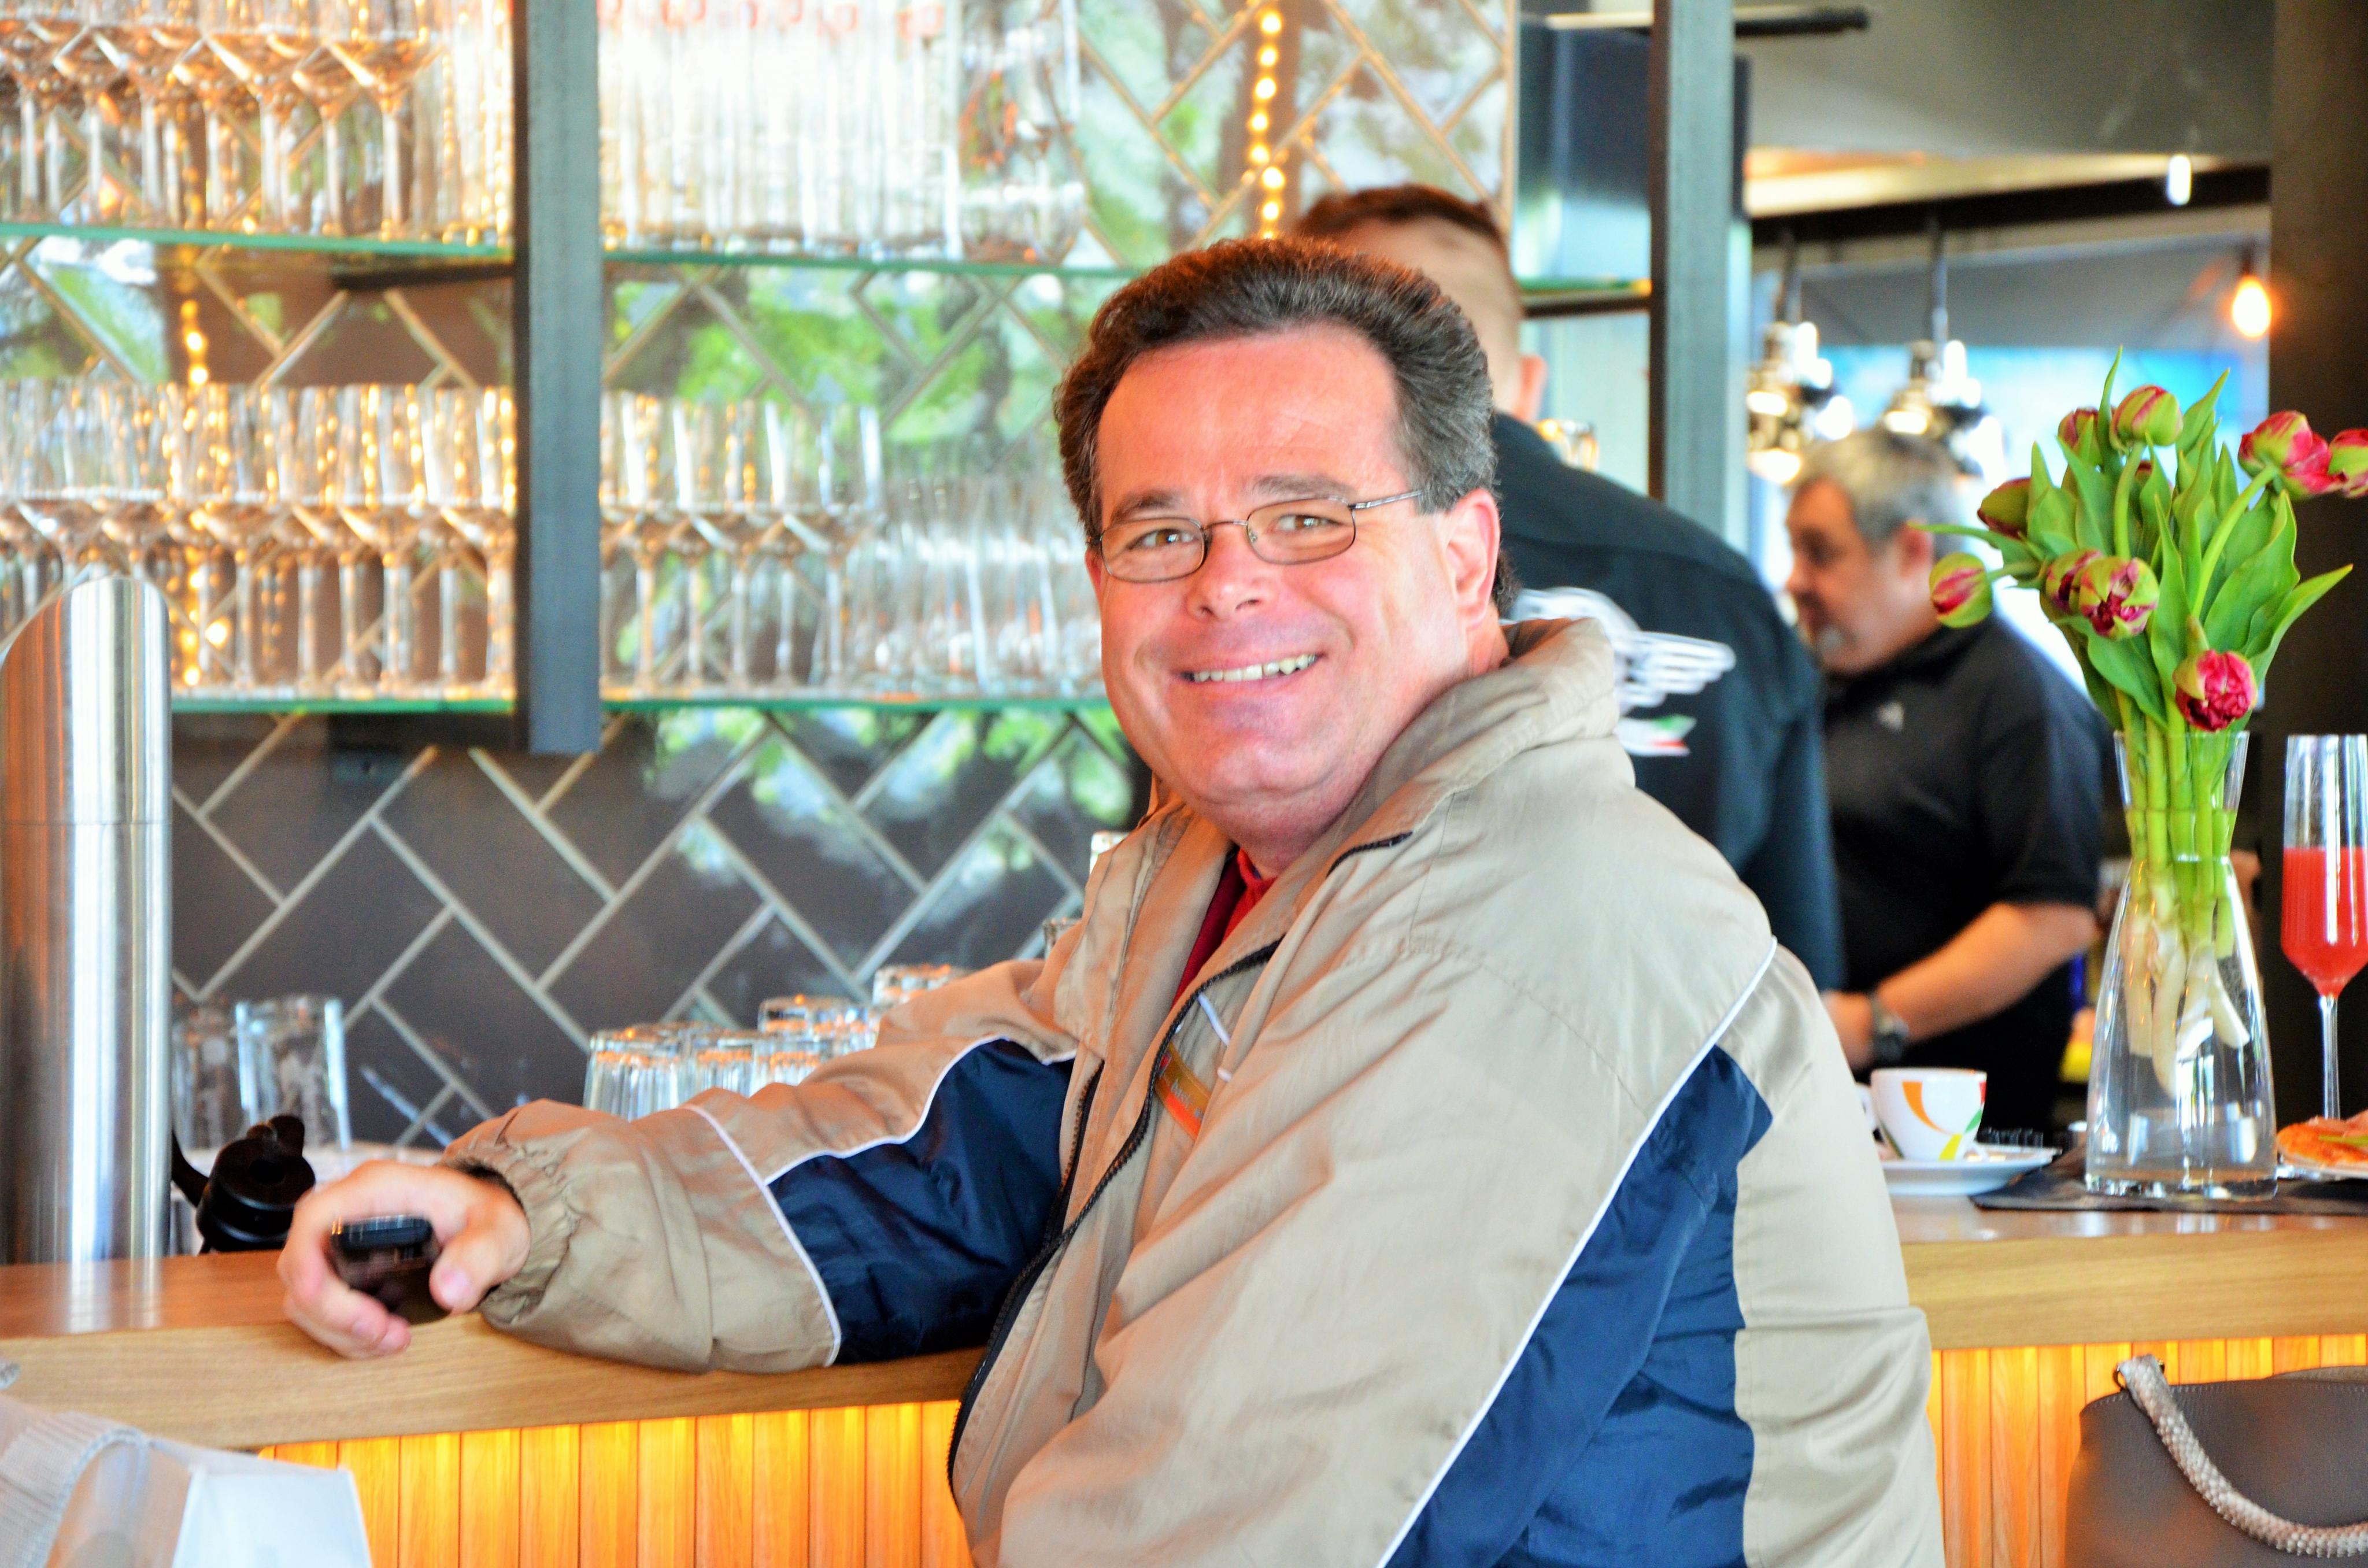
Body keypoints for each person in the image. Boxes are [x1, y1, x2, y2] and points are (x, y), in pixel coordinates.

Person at [283, 241, 1941, 1566]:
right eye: (1161, 534)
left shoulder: (1523, 922)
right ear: (1099, 587)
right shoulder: (1236, 884)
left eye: (1305, 517)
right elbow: (947, 1151)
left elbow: (1225, 1514)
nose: (1227, 584)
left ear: (1462, 553)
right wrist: (528, 1216)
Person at [1295, 184, 1845, 989]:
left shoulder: (1302, 576)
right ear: (1528, 382)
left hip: (1378, 1049)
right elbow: (1798, 966)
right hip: (1689, 1060)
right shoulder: (1728, 592)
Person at [1785, 430, 2107, 1132]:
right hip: (1812, 1107)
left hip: (1961, 1138)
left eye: (1820, 552)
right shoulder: (1817, 682)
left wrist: (1868, 1023)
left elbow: (2052, 918)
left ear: (1911, 552)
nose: (1795, 581)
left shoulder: (2015, 695)